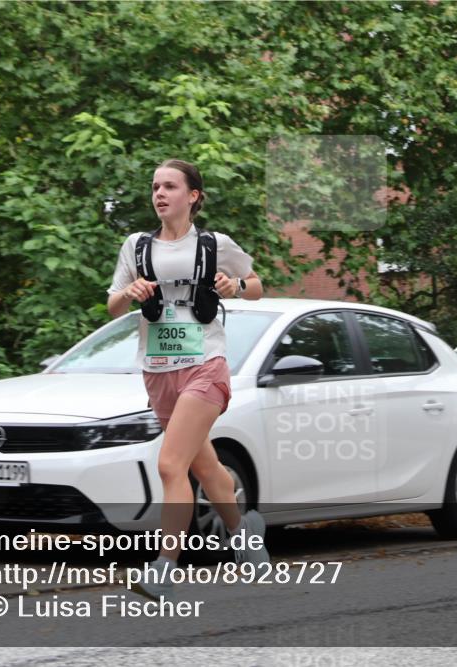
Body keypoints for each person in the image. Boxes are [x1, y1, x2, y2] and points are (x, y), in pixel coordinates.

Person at [107, 159, 267, 598]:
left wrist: (234, 287)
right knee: (204, 464)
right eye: (155, 187)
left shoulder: (215, 244)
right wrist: (131, 292)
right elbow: (113, 306)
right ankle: (245, 535)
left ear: (192, 196)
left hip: (205, 366)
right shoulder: (137, 247)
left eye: (170, 187)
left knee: (170, 464)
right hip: (157, 371)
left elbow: (255, 284)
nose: (159, 194)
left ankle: (163, 567)